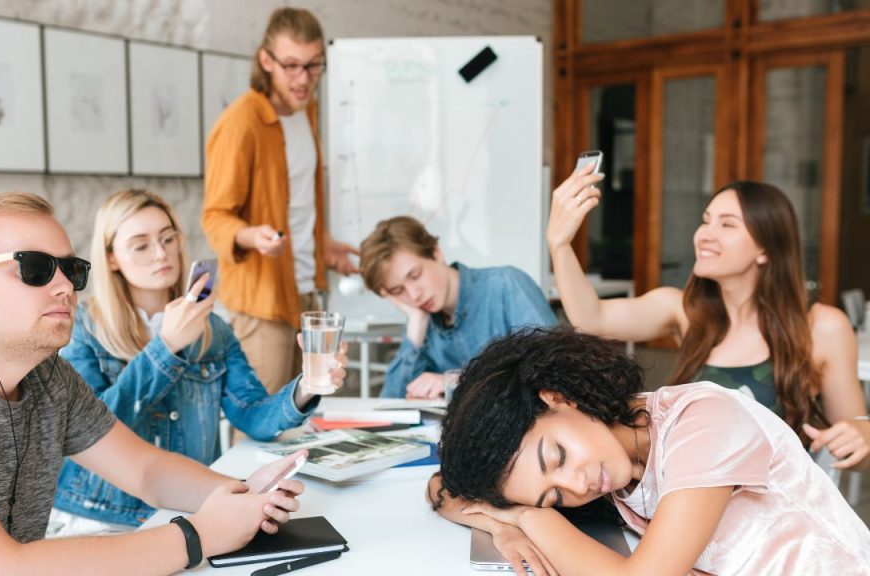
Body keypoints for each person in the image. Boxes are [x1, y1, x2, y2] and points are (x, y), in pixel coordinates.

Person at [0, 192, 307, 575]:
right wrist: (200, 535)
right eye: (35, 268)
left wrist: (245, 492)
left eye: (71, 269)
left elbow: (145, 471)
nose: (66, 286)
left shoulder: (48, 377)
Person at [430, 327, 870, 575]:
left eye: (558, 457)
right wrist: (502, 525)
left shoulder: (703, 419)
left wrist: (529, 516)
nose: (576, 485)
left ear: (560, 398)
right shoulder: (617, 464)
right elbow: (443, 488)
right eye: (554, 497)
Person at [51, 189, 347, 534]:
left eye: (167, 239)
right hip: (99, 513)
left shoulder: (213, 330)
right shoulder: (83, 328)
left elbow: (252, 415)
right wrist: (167, 348)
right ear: (112, 257)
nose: (161, 253)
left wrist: (306, 387)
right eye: (141, 245)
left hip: (189, 506)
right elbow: (92, 431)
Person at [548, 171, 870, 469]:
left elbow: (857, 440)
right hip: (681, 486)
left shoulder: (822, 327)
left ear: (765, 249)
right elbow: (592, 319)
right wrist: (560, 244)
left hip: (766, 510)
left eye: (727, 225)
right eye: (706, 221)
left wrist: (861, 435)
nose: (705, 235)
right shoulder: (684, 311)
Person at [202, 7, 358, 394]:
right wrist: (250, 235)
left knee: (302, 416)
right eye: (291, 66)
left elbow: (296, 204)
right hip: (263, 302)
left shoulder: (309, 113)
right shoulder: (243, 123)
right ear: (266, 60)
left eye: (313, 66)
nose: (303, 79)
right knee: (262, 423)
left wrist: (323, 246)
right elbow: (215, 216)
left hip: (306, 292)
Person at [358, 216, 555, 398]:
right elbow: (390, 405)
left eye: (415, 276)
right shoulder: (422, 320)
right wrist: (416, 325)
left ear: (436, 253)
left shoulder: (505, 285)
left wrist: (457, 380)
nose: (414, 295)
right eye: (398, 290)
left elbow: (553, 369)